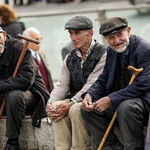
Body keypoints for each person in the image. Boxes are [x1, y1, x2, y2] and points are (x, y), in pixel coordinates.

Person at [80, 16, 150, 150]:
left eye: (120, 35)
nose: (117, 41)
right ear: (106, 39)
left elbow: (142, 85)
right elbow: (103, 78)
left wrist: (110, 99)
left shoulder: (146, 50)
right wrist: (90, 95)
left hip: (148, 100)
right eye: (111, 38)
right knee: (89, 110)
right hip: (122, 99)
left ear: (129, 31)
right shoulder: (111, 51)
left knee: (126, 107)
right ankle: (113, 146)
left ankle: (134, 147)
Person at [46, 15, 107, 150]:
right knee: (56, 106)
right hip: (76, 99)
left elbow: (92, 84)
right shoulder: (70, 57)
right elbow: (62, 85)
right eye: (71, 33)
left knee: (75, 109)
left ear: (90, 33)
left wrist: (72, 102)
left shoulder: (104, 54)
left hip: (96, 100)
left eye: (77, 33)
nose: (73, 38)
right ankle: (62, 148)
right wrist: (49, 105)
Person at [22, 27, 54, 93]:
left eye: (40, 38)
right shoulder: (23, 57)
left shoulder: (42, 54)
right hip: (36, 96)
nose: (39, 41)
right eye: (36, 39)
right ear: (27, 40)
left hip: (48, 94)